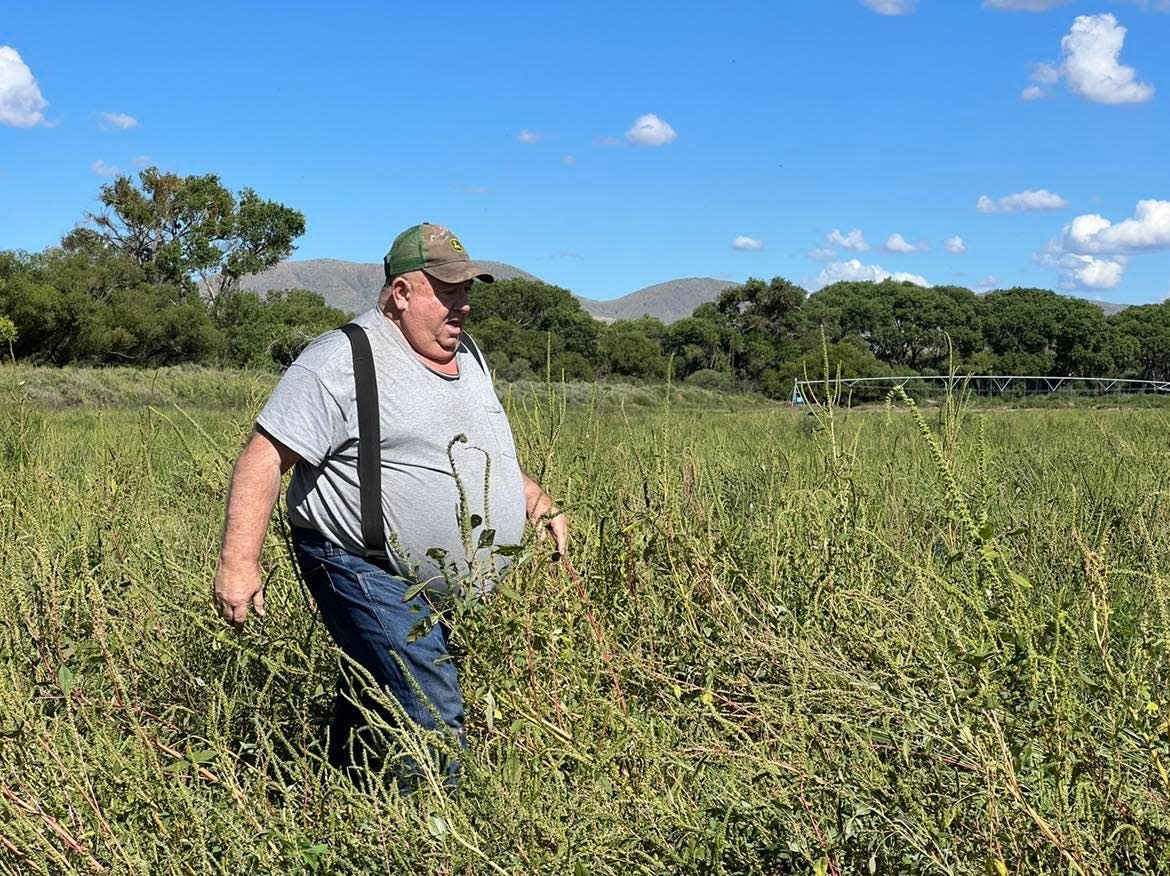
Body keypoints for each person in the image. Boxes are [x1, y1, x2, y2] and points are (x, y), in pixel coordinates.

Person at [212, 222, 567, 777]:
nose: (464, 305)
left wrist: (535, 502)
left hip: (435, 576)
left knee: (375, 689)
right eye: (448, 290)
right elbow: (263, 458)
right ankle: (432, 836)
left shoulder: (468, 355)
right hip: (360, 561)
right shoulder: (341, 358)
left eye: (467, 290)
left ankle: (334, 795)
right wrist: (239, 563)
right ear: (401, 293)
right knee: (430, 699)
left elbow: (483, 453)